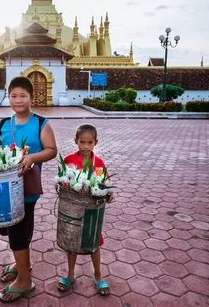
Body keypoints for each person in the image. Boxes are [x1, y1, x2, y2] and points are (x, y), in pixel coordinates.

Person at [0, 76, 57, 302]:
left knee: (19, 233)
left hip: (27, 189)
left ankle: (24, 281)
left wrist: (31, 157)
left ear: (32, 97)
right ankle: (24, 264)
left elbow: (51, 150)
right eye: (13, 96)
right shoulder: (2, 124)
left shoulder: (41, 123)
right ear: (8, 97)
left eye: (23, 96)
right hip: (4, 190)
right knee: (12, 230)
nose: (18, 100)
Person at [57, 123, 114, 296]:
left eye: (90, 142)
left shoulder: (99, 162)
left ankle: (97, 275)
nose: (86, 146)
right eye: (82, 142)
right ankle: (70, 274)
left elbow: (105, 182)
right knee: (71, 244)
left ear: (96, 142)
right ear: (76, 141)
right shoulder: (68, 160)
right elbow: (62, 180)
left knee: (94, 244)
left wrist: (109, 192)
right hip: (73, 210)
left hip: (91, 213)